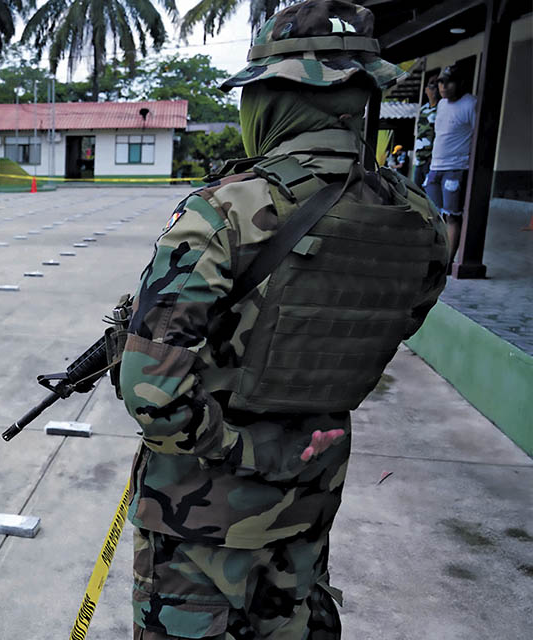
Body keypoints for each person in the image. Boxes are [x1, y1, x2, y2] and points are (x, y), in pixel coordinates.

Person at [117, 2, 450, 638]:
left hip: (200, 524)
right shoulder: (418, 217)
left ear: (274, 99)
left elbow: (151, 395)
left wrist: (243, 448)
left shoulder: (224, 212)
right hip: (311, 498)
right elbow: (392, 328)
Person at [423, 66, 477, 266]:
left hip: (455, 167)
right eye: (441, 82)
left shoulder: (470, 104)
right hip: (435, 167)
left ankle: (447, 261)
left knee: (452, 215)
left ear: (461, 83)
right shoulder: (442, 104)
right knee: (434, 214)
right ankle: (434, 255)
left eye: (449, 82)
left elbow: (478, 136)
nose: (444, 86)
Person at [412, 72, 439, 187]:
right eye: (431, 86)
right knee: (416, 190)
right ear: (426, 90)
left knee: (430, 190)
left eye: (436, 86)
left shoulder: (441, 108)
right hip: (419, 158)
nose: (433, 90)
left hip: (432, 158)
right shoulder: (423, 109)